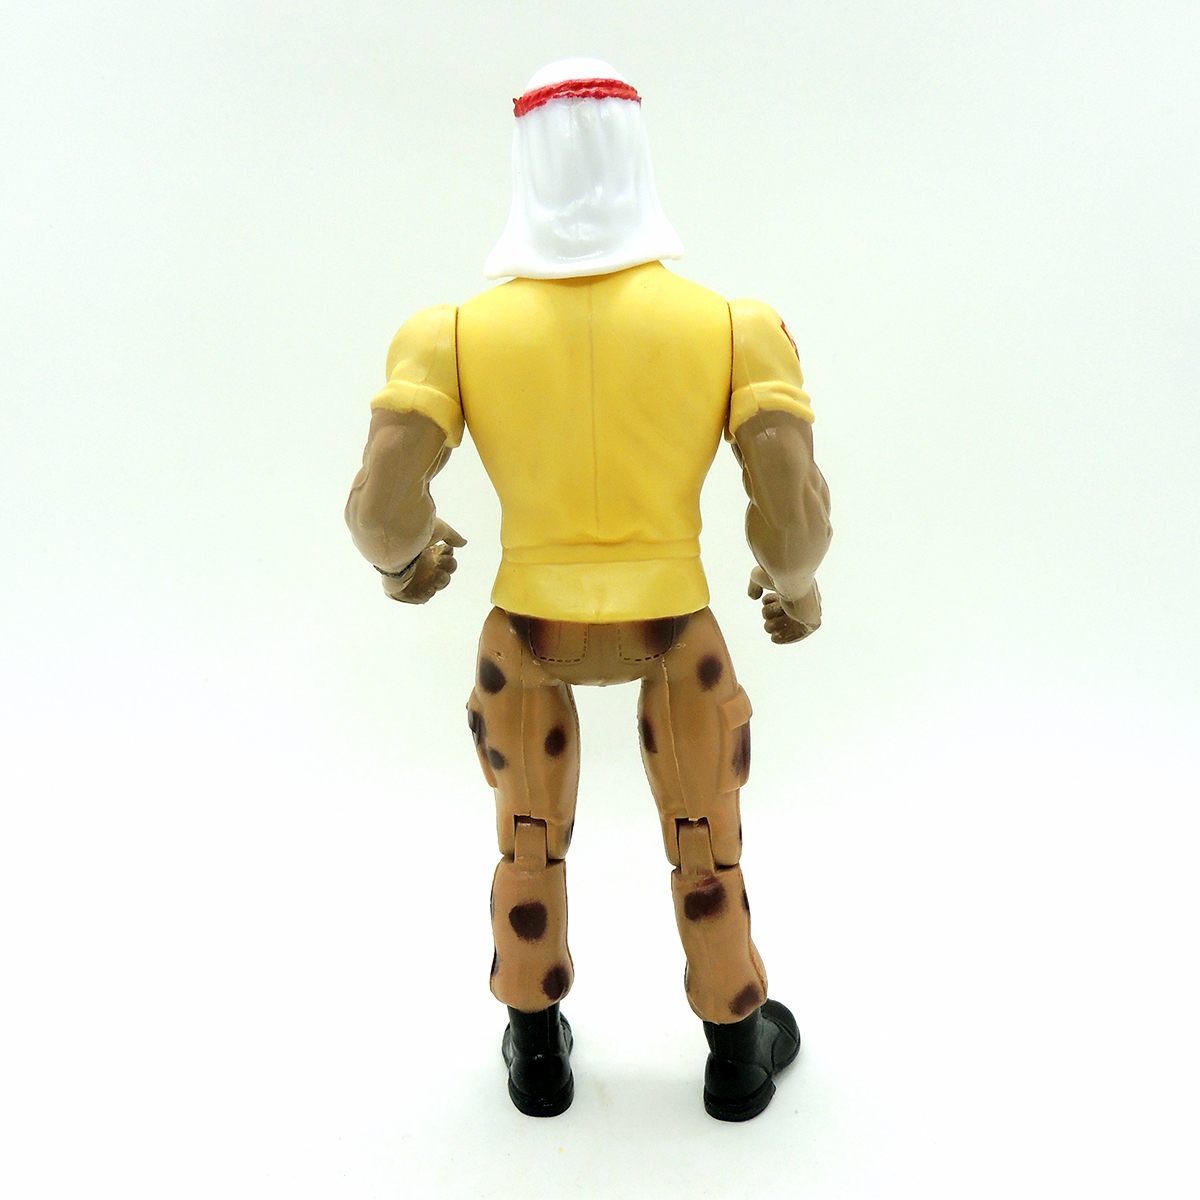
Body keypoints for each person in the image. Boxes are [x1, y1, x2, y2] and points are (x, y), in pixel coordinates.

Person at [345, 58, 832, 1121]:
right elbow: (792, 512)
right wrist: (793, 590)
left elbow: (379, 510)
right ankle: (737, 1050)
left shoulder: (454, 335)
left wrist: (406, 565)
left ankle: (536, 1053)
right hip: (675, 623)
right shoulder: (731, 327)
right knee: (706, 844)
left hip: (528, 627)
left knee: (527, 838)